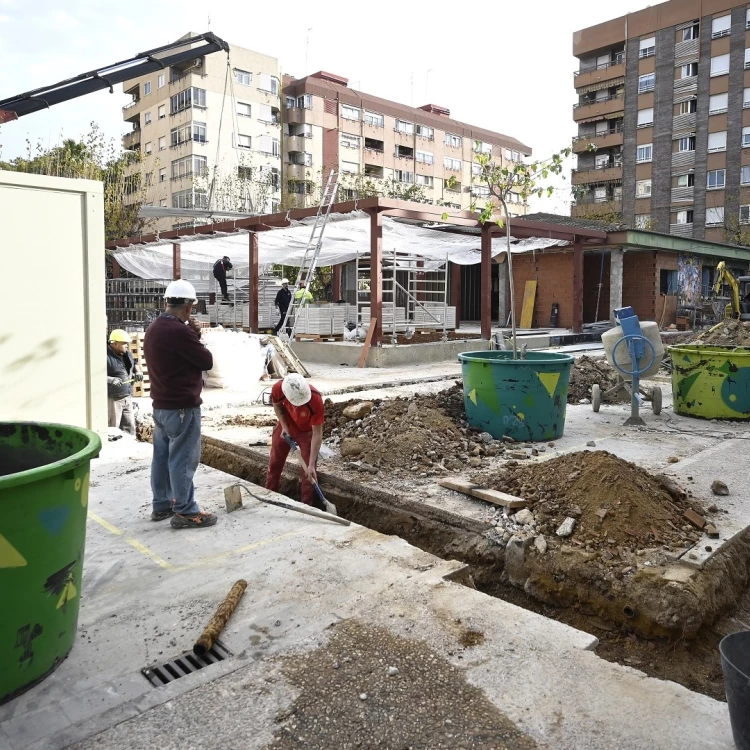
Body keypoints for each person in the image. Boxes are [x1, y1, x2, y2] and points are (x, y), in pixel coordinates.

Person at [143, 279, 217, 529]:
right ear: (188, 307)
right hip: (182, 408)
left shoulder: (154, 328)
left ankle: (162, 503)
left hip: (161, 406)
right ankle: (185, 510)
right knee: (184, 459)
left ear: (167, 302)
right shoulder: (180, 331)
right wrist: (196, 335)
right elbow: (206, 360)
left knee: (162, 457)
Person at [266, 373, 325, 509]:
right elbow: (277, 406)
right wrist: (284, 426)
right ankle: (269, 495)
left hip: (307, 432)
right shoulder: (278, 388)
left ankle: (307, 506)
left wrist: (311, 464)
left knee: (308, 473)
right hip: (287, 424)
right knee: (275, 461)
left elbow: (317, 433)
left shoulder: (315, 399)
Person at [106, 329, 142, 435]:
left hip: (127, 396)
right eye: (124, 343)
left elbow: (134, 363)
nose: (127, 346)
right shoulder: (105, 356)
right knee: (113, 428)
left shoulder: (126, 354)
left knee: (129, 426)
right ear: (115, 343)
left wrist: (138, 372)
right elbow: (96, 376)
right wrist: (110, 379)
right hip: (114, 399)